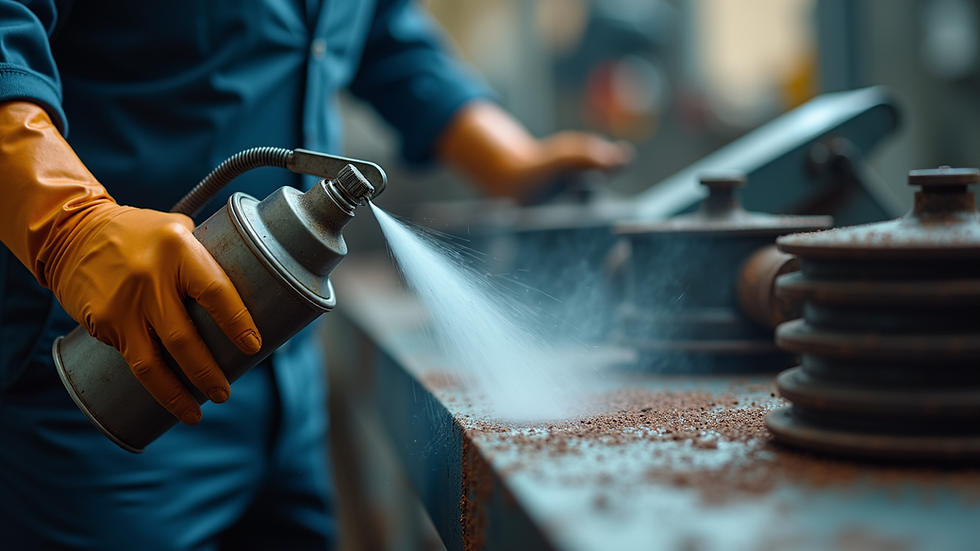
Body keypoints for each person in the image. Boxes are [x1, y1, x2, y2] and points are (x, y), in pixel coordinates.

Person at [0, 1, 631, 549]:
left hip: (284, 385)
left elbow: (386, 35)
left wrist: (509, 157)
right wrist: (70, 226)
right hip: (109, 374)